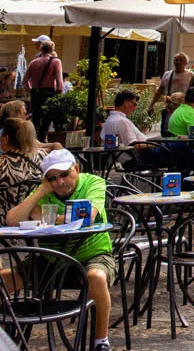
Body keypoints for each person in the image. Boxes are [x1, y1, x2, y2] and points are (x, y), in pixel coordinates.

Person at [7, 150, 114, 351]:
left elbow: (86, 216)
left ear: (76, 169)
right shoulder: (45, 191)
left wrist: (44, 217)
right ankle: (5, 339)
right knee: (4, 281)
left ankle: (101, 342)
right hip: (51, 261)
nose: (59, 182)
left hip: (92, 254)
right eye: (52, 178)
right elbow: (12, 219)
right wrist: (40, 191)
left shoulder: (93, 182)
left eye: (64, 175)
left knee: (97, 277)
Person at [22, 37, 64, 140]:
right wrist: (59, 94)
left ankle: (32, 140)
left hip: (36, 93)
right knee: (46, 121)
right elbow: (59, 81)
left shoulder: (33, 62)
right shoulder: (55, 62)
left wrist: (30, 90)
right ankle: (41, 141)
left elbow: (24, 81)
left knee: (35, 119)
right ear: (52, 49)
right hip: (49, 92)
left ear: (41, 49)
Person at [0, 118, 43, 211]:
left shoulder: (3, 164)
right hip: (35, 217)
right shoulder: (42, 157)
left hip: (5, 218)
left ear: (6, 139)